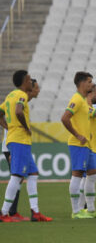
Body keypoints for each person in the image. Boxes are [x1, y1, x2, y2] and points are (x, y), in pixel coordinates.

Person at [0, 70, 52, 222]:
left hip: (17, 139)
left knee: (33, 174)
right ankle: (3, 213)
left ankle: (35, 212)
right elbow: (19, 112)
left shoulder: (10, 96)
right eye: (29, 80)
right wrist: (25, 127)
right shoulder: (22, 95)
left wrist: (8, 127)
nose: (31, 82)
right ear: (25, 81)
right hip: (19, 141)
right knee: (16, 176)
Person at [61, 72, 96, 219]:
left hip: (88, 145)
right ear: (82, 83)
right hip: (78, 144)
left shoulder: (83, 101)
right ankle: (76, 211)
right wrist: (78, 135)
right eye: (89, 82)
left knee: (92, 174)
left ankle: (90, 209)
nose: (91, 84)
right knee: (77, 174)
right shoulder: (77, 99)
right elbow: (65, 118)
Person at [77, 84, 96, 216]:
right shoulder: (85, 106)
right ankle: (78, 209)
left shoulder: (90, 107)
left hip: (93, 146)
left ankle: (90, 209)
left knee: (91, 175)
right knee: (81, 177)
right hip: (85, 145)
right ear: (90, 93)